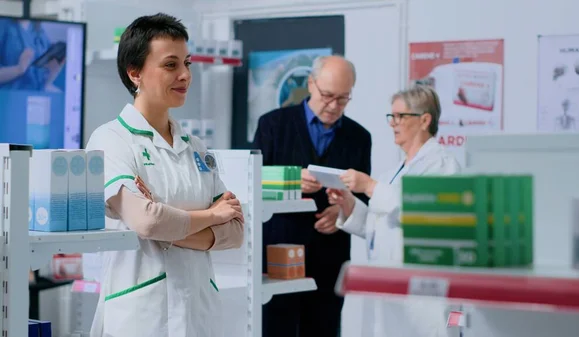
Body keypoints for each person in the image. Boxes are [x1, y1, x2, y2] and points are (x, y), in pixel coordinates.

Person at [85, 13, 244, 337]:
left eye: (187, 63)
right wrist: (211, 215)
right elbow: (146, 221)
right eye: (171, 65)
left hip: (199, 313)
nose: (185, 74)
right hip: (142, 317)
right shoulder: (110, 140)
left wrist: (164, 221)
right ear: (135, 73)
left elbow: (236, 232)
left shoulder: (196, 148)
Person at [327, 84, 461, 337]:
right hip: (391, 290)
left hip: (424, 293)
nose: (393, 123)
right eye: (392, 116)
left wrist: (369, 186)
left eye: (400, 116)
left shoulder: (443, 166)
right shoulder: (394, 172)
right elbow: (381, 227)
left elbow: (424, 216)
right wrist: (349, 204)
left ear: (424, 120)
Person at [253, 55, 372, 337]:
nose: (333, 106)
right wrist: (290, 181)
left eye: (343, 99)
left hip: (330, 256)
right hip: (279, 254)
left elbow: (363, 196)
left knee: (325, 328)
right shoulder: (272, 125)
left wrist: (342, 213)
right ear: (310, 84)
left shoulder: (359, 137)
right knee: (276, 328)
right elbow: (251, 182)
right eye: (327, 96)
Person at [0, 18, 64, 92]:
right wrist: (19, 69)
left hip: (37, 95)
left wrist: (54, 70)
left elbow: (44, 82)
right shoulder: (3, 25)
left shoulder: (38, 29)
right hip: (10, 96)